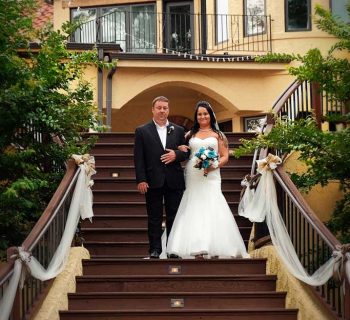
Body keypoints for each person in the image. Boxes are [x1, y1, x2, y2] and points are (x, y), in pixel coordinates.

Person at [166, 101, 249, 259]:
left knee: (212, 203)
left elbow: (225, 156)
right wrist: (179, 150)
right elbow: (182, 150)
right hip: (193, 174)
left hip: (211, 175)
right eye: (199, 114)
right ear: (196, 117)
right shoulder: (190, 134)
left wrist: (214, 165)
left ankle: (215, 245)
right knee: (193, 204)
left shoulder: (219, 135)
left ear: (210, 115)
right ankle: (195, 246)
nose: (202, 116)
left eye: (205, 113)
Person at [134, 96, 189, 259]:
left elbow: (186, 152)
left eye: (165, 108)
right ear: (153, 109)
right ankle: (155, 249)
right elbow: (138, 158)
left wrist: (176, 154)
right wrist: (141, 179)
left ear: (168, 110)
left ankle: (173, 249)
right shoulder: (142, 131)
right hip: (152, 180)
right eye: (159, 107)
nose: (162, 110)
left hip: (174, 180)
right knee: (154, 217)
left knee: (174, 215)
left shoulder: (178, 130)